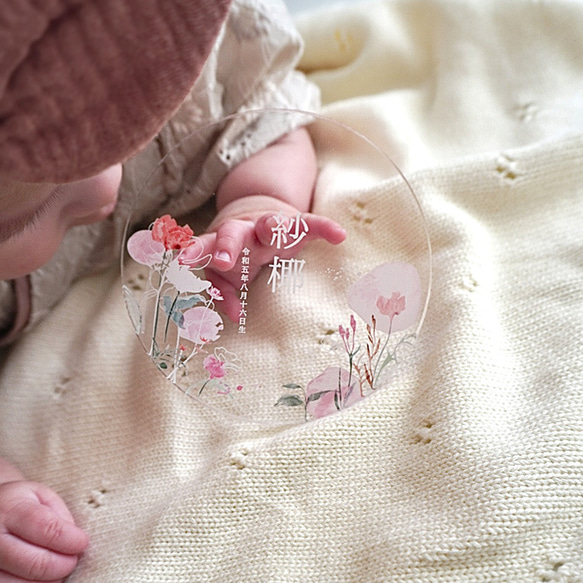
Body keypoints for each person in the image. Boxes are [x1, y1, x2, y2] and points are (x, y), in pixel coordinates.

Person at [0, 0, 346, 580]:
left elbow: (265, 118)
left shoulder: (164, 70)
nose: (105, 190)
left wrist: (257, 203)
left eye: (114, 147)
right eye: (27, 218)